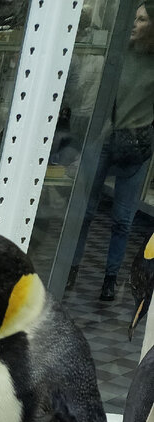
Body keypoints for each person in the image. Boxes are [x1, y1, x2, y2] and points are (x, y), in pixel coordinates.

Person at [67, 3, 154, 302]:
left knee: (123, 219)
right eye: (133, 17)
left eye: (141, 19)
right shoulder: (117, 55)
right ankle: (71, 268)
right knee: (86, 211)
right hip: (106, 138)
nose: (134, 23)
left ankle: (110, 278)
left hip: (138, 145)